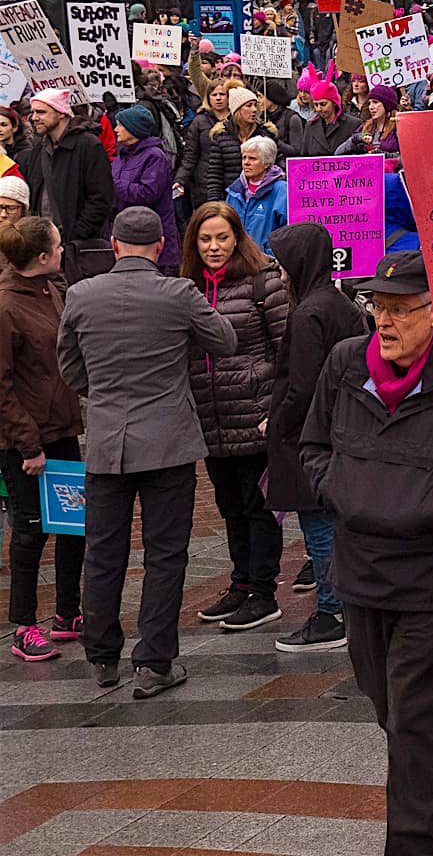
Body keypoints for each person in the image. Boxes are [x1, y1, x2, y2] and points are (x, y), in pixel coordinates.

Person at [300, 250, 433, 856]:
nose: (384, 321)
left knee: (415, 710)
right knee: (384, 702)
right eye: (377, 307)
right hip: (361, 567)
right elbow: (311, 445)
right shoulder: (345, 364)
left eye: (399, 309)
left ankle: (419, 840)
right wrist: (344, 489)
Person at [57, 206, 237, 695]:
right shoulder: (178, 293)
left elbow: (70, 368)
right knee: (165, 554)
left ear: (113, 245)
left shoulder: (80, 295)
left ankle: (102, 656)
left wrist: (107, 395)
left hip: (107, 442)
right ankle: (154, 660)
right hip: (168, 442)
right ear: (162, 247)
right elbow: (225, 340)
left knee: (103, 552)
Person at [183, 202, 289, 632]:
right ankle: (241, 583)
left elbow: (286, 350)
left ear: (238, 237)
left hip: (255, 412)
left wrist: (277, 411)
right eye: (205, 239)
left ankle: (264, 592)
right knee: (229, 506)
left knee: (259, 506)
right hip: (212, 419)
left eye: (222, 238)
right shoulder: (186, 287)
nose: (214, 247)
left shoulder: (263, 281)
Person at [265, 222, 368, 652]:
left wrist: (278, 423)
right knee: (332, 525)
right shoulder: (340, 303)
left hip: (310, 436)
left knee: (319, 528)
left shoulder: (308, 313)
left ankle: (331, 612)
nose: (279, 271)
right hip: (341, 429)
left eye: (284, 262)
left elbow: (302, 385)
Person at [0, 218, 83, 660]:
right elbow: (1, 385)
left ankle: (69, 613)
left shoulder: (52, 289)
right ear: (42, 256)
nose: (62, 248)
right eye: (57, 242)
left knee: (74, 525)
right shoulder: (6, 306)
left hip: (62, 428)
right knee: (30, 531)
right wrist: (27, 444)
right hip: (25, 442)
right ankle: (24, 625)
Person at [18, 88, 114, 242]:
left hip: (75, 245)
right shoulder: (38, 149)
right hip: (43, 241)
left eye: (41, 112)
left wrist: (75, 235)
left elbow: (101, 198)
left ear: (61, 113)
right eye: (33, 112)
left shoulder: (88, 146)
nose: (34, 118)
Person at [111, 104, 180, 273]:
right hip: (128, 232)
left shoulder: (155, 157)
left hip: (153, 240)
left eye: (120, 125)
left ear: (133, 128)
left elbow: (146, 193)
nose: (115, 129)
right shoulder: (122, 156)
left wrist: (112, 184)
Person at [176, 77, 240, 209]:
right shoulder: (199, 121)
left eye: (222, 94)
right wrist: (180, 179)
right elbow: (190, 154)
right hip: (205, 183)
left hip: (233, 180)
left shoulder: (238, 120)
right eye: (214, 95)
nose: (218, 98)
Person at [205, 88, 278, 204]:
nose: (254, 110)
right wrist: (216, 204)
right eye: (248, 106)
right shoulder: (221, 136)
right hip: (230, 199)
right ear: (237, 110)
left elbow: (276, 167)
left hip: (262, 199)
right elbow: (215, 175)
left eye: (255, 105)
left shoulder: (266, 134)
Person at [224, 135, 288, 253]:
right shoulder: (234, 191)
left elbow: (286, 232)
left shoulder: (282, 191)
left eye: (252, 158)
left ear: (266, 163)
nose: (246, 163)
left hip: (267, 262)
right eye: (244, 158)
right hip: (236, 260)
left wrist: (269, 254)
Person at [336, 84, 400, 159]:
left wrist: (387, 156)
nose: (371, 107)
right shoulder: (367, 126)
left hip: (389, 169)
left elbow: (407, 157)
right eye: (369, 103)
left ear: (387, 105)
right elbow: (338, 153)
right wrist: (355, 139)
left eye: (375, 102)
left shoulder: (398, 127)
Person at [300, 78, 360, 156]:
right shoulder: (310, 126)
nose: (319, 109)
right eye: (316, 104)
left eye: (323, 104)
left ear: (334, 103)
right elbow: (303, 158)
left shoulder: (353, 124)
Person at [264, 81, 304, 159]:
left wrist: (275, 138)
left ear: (271, 98)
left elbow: (297, 151)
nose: (258, 100)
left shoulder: (292, 118)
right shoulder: (262, 117)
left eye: (261, 97)